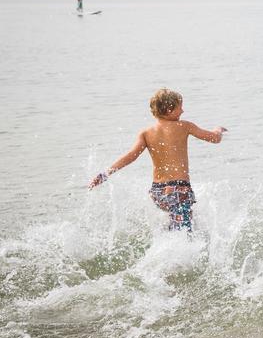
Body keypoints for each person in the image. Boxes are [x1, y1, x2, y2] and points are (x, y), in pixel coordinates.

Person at [87, 88, 226, 232]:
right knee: (184, 232)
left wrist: (105, 174)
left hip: (157, 192)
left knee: (175, 227)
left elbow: (131, 156)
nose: (183, 111)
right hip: (179, 189)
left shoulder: (146, 133)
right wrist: (218, 130)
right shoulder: (184, 126)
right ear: (169, 110)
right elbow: (214, 139)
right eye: (180, 107)